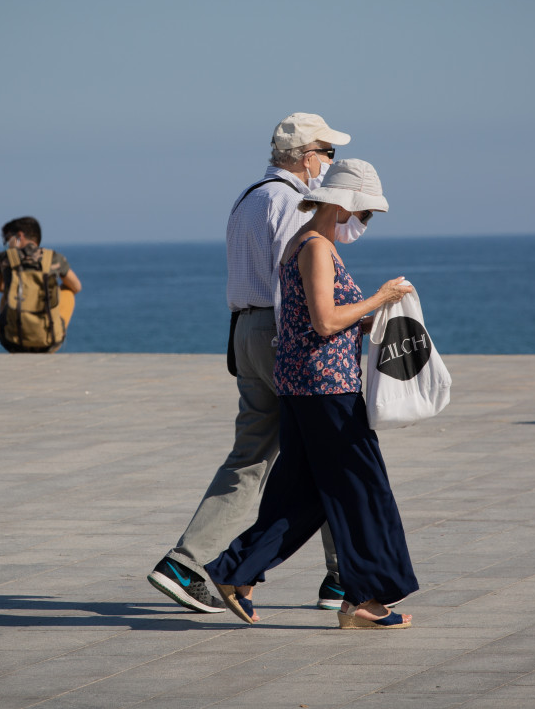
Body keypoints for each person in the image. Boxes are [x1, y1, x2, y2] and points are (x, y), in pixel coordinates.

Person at [148, 113, 354, 614]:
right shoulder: (287, 201)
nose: (330, 164)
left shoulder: (251, 197)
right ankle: (341, 578)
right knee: (328, 450)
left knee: (255, 457)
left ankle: (186, 561)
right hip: (279, 333)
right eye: (327, 154)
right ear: (306, 157)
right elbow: (298, 274)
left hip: (245, 330)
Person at [205, 159, 418, 629]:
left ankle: (233, 572)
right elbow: (324, 321)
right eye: (365, 212)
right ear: (343, 204)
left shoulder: (303, 243)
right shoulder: (317, 247)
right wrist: (379, 300)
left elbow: (311, 320)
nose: (364, 221)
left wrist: (368, 318)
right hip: (326, 388)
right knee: (365, 488)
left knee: (303, 493)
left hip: (306, 382)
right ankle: (365, 599)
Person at [0, 216, 82, 353]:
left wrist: (21, 291)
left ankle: (14, 331)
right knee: (68, 293)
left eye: (8, 238)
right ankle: (55, 333)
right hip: (48, 342)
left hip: (12, 342)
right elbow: (76, 286)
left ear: (19, 235)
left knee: (8, 295)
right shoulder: (54, 258)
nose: (7, 243)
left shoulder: (5, 258)